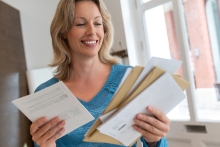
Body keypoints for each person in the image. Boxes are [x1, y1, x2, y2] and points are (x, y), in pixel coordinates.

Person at [30, 0, 170, 147]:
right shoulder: (46, 94)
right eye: (80, 24)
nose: (92, 31)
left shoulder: (129, 79)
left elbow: (155, 141)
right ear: (63, 31)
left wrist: (155, 140)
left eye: (97, 23)